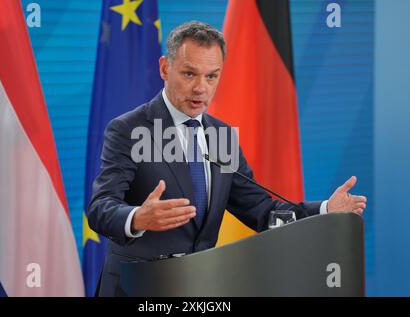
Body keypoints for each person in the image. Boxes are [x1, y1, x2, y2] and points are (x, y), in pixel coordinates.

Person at [87, 21, 367, 297]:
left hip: (200, 285)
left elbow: (260, 210)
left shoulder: (221, 136)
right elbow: (101, 208)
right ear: (164, 68)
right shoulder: (128, 129)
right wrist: (137, 217)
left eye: (211, 76)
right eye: (189, 74)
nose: (201, 88)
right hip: (138, 287)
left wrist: (325, 210)